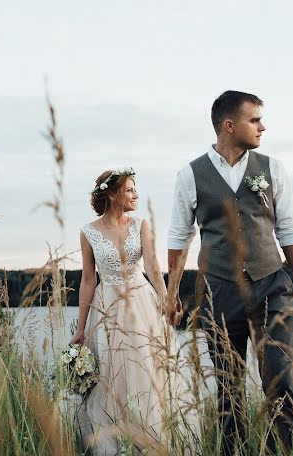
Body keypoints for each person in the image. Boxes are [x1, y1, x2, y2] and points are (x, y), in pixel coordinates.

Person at [165, 90, 293, 454]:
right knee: (228, 389)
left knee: (281, 381)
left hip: (272, 287)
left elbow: (290, 229)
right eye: (254, 120)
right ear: (229, 126)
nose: (262, 127)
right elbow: (179, 238)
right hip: (219, 293)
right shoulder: (190, 174)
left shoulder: (272, 168)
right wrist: (170, 295)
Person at [71, 167, 183, 455]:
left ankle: (150, 444)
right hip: (105, 308)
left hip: (140, 305)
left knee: (146, 373)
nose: (136, 195)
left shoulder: (141, 225)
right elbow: (87, 280)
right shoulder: (88, 233)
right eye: (130, 189)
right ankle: (112, 445)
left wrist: (165, 299)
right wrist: (81, 329)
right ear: (111, 194)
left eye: (135, 189)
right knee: (110, 378)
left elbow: (152, 266)